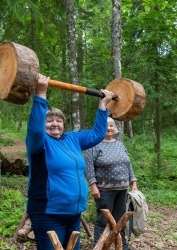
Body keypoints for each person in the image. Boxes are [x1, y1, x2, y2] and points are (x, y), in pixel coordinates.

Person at [25, 74, 114, 250]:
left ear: (64, 124)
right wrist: (41, 94)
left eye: (58, 120)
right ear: (42, 124)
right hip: (48, 213)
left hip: (74, 214)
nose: (54, 124)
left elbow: (97, 135)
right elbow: (35, 130)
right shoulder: (39, 143)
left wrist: (103, 107)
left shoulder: (72, 139)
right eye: (49, 121)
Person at [84, 117, 138, 250]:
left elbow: (128, 164)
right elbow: (88, 167)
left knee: (120, 220)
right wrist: (93, 185)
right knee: (103, 220)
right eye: (106, 126)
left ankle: (122, 245)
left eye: (111, 126)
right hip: (104, 190)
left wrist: (133, 181)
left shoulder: (120, 144)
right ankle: (99, 245)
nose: (109, 128)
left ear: (115, 128)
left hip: (122, 189)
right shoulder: (94, 145)